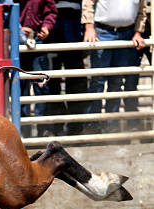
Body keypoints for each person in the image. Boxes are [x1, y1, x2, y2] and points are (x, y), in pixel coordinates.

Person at [81, 0, 147, 134]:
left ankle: (112, 124)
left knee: (116, 80)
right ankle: (94, 124)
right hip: (103, 32)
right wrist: (89, 27)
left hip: (127, 33)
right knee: (98, 80)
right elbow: (88, 2)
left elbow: (142, 10)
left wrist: (138, 32)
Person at [18, 0, 57, 138]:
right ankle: (23, 131)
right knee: (20, 87)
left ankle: (43, 130)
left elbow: (51, 12)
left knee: (41, 87)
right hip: (18, 41)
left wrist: (46, 27)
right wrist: (18, 29)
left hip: (37, 40)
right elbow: (7, 10)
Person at [47, 0, 87, 136]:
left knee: (76, 82)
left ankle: (75, 126)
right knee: (52, 82)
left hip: (74, 23)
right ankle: (56, 125)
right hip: (53, 25)